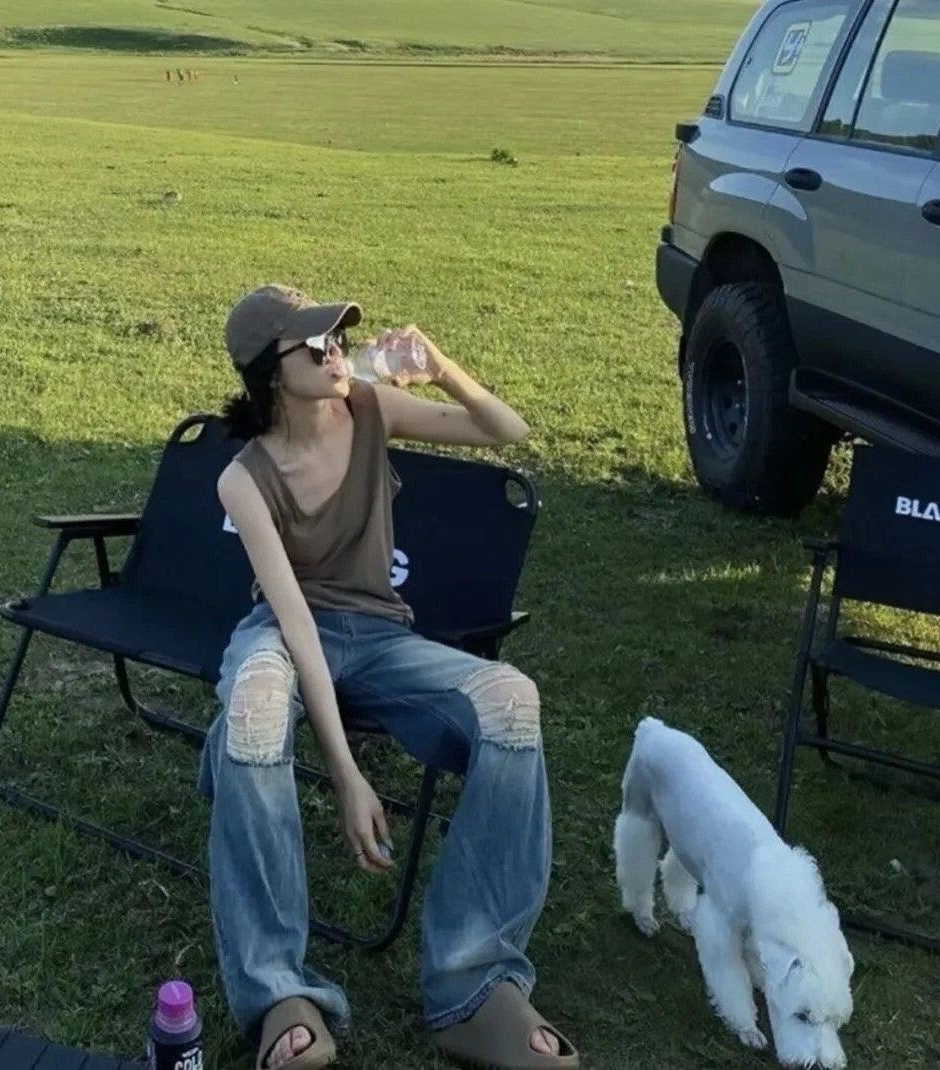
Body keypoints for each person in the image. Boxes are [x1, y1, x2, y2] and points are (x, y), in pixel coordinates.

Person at [196, 284, 580, 1070]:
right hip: (286, 633)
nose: (335, 353)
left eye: (338, 338)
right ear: (270, 372)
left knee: (512, 699)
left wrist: (438, 365)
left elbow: (507, 430)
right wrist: (345, 774)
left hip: (377, 635)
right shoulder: (245, 477)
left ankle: (475, 989)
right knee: (256, 706)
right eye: (315, 345)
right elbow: (295, 620)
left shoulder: (370, 408)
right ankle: (279, 995)